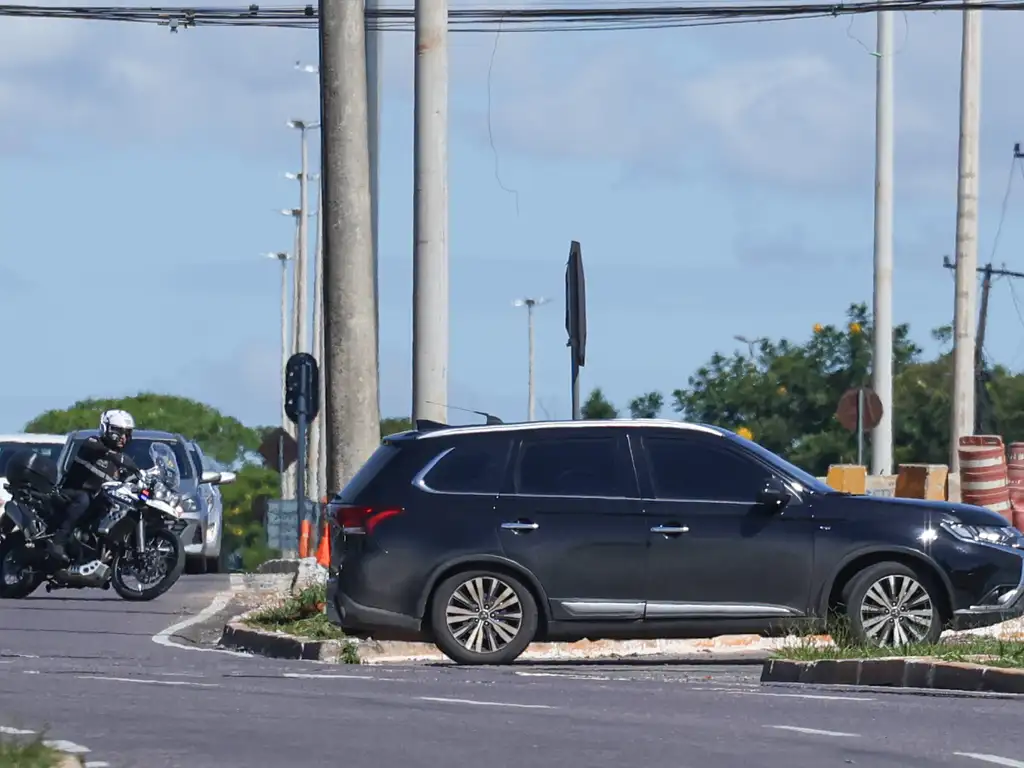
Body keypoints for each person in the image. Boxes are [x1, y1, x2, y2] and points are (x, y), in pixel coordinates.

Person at [51, 409, 141, 563]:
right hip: (69, 493)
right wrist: (118, 458)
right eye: (119, 432)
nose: (123, 437)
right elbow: (99, 450)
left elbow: (131, 479)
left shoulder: (120, 464)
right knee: (83, 498)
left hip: (96, 502)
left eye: (127, 433)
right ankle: (58, 541)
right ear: (106, 428)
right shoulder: (93, 443)